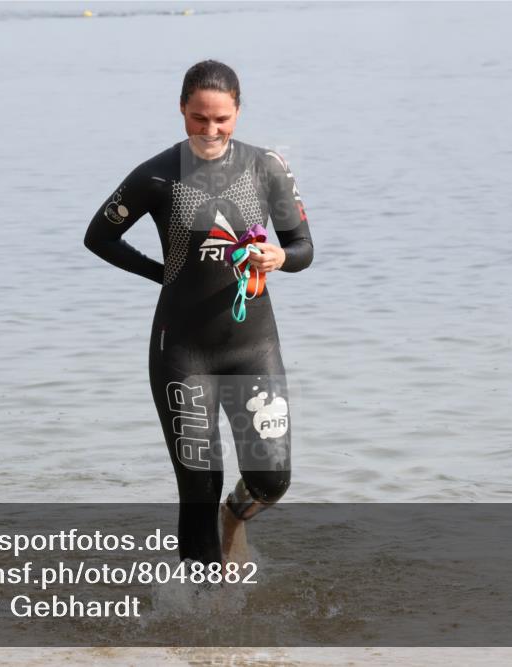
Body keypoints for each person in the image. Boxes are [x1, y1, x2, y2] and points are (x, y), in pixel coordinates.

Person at [84, 60, 314, 566]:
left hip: (253, 347)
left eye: (222, 120)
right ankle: (204, 619)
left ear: (237, 113)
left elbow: (302, 247)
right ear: (182, 111)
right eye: (198, 118)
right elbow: (98, 237)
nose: (210, 131)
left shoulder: (266, 167)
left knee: (272, 478)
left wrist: (279, 256)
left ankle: (236, 518)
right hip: (183, 351)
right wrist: (161, 273)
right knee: (197, 487)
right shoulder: (157, 174)